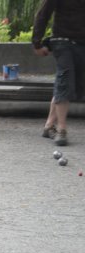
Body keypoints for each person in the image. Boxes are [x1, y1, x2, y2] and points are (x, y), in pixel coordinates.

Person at [32, 0, 85, 146]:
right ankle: (62, 129)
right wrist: (37, 43)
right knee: (65, 80)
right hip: (62, 41)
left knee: (69, 84)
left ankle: (49, 125)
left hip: (82, 43)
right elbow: (43, 14)